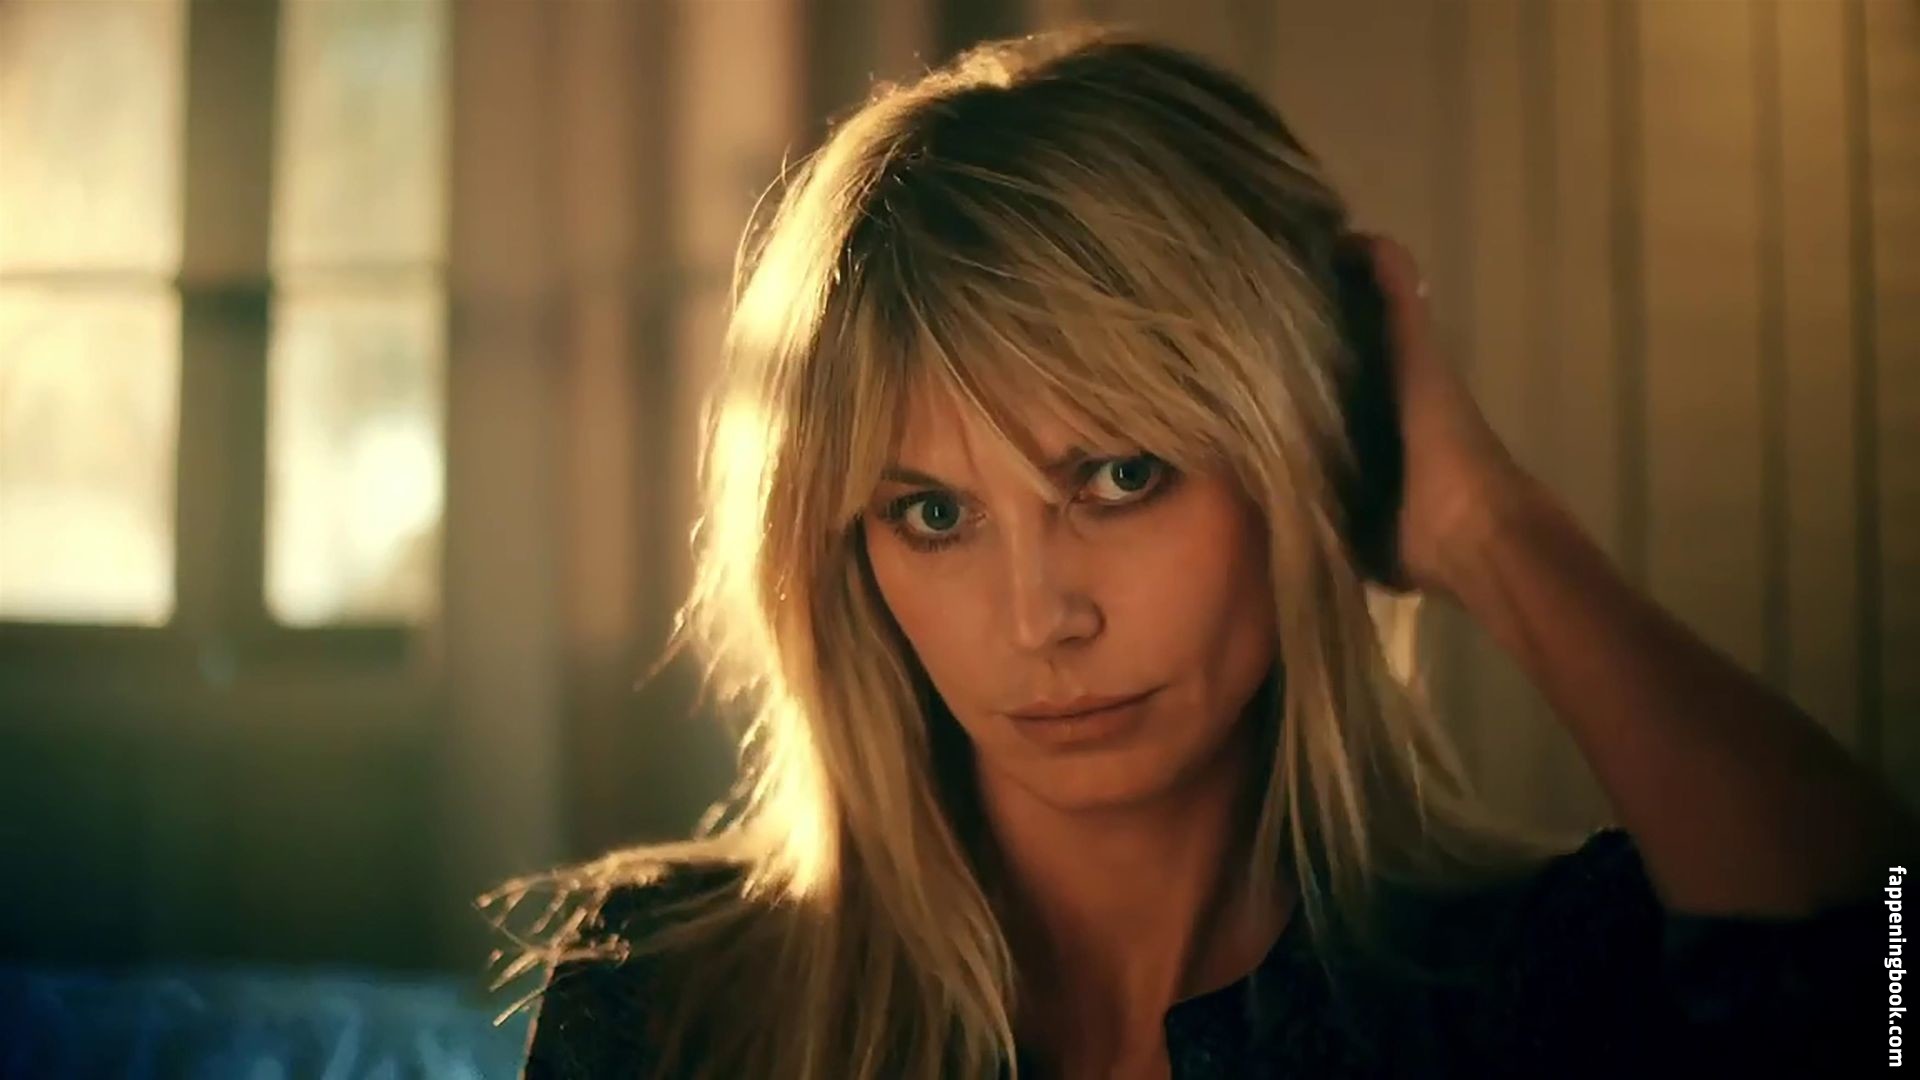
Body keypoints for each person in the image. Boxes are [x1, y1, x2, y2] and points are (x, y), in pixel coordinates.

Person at [484, 27, 1908, 1080]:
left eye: (1121, 476)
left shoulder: (1512, 992)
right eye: (934, 514)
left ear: (1306, 458)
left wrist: (1486, 524)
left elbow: (1881, 980)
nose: (1040, 617)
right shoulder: (664, 998)